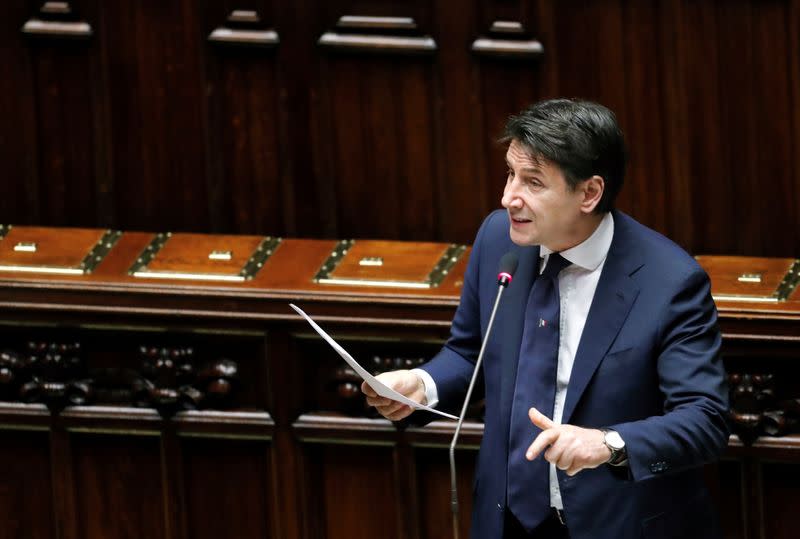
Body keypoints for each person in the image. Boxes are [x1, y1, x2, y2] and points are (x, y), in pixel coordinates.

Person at [362, 98, 730, 539]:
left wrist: (608, 444)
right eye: (509, 173)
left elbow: (704, 418)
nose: (508, 197)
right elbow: (470, 352)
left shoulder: (669, 281)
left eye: (532, 182)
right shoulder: (498, 237)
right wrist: (423, 384)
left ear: (589, 194)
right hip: (507, 518)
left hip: (615, 522)